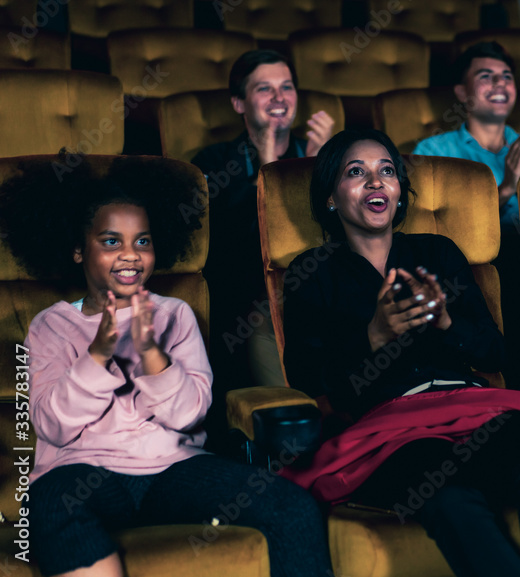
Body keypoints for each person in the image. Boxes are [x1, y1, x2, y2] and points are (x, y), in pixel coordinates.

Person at [0, 157, 332, 577]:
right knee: (48, 504)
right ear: (79, 249)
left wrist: (152, 353)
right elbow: (50, 426)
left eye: (142, 242)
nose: (130, 256)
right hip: (84, 473)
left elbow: (188, 413)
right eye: (110, 242)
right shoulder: (51, 324)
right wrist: (99, 354)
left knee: (293, 506)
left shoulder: (175, 314)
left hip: (173, 469)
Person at [279, 129, 520, 577]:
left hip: (471, 408)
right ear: (330, 198)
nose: (376, 182)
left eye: (386, 172)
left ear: (400, 193)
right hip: (389, 430)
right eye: (356, 173)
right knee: (448, 495)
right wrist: (375, 337)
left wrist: (446, 324)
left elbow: (495, 353)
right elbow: (311, 383)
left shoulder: (437, 252)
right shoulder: (312, 271)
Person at [191, 49, 335, 438]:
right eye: (264, 89)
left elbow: (342, 238)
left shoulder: (324, 156)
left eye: (286, 87)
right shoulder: (214, 162)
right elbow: (224, 254)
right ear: (239, 103)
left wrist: (320, 170)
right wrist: (268, 173)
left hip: (321, 291)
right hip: (246, 303)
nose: (279, 97)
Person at [412, 41, 520, 384]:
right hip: (468, 268)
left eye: (506, 76)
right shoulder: (434, 152)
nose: (499, 84)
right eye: (486, 76)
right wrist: (509, 188)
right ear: (461, 91)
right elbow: (435, 232)